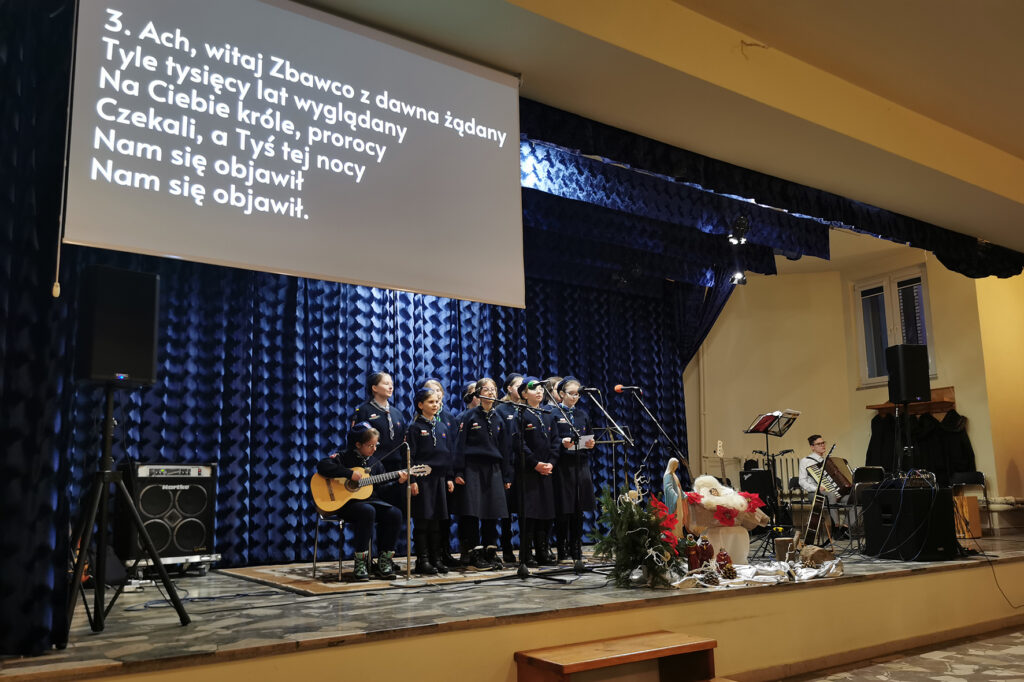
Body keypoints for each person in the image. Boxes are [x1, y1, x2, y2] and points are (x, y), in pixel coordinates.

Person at [317, 423, 407, 581]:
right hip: (347, 505)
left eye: (376, 445)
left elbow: (383, 491)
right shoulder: (344, 457)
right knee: (367, 511)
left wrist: (398, 483)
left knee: (395, 513)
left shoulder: (376, 463)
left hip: (371, 502)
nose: (374, 449)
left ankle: (384, 561)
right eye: (370, 445)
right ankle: (360, 562)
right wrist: (348, 473)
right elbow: (322, 466)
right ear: (358, 444)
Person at [454, 377, 513, 570]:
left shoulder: (500, 418)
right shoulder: (469, 416)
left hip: (494, 468)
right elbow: (460, 446)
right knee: (473, 511)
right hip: (472, 467)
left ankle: (490, 550)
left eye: (494, 389)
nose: (491, 392)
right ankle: (474, 551)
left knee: (492, 510)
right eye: (486, 389)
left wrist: (506, 475)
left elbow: (505, 449)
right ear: (477, 393)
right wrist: (459, 471)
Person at [516, 376, 567, 567]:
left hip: (547, 471)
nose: (539, 391)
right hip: (529, 472)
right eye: (533, 388)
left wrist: (551, 463)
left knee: (546, 513)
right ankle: (526, 553)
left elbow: (556, 441)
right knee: (530, 514)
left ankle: (542, 550)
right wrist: (535, 463)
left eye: (541, 388)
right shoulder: (521, 414)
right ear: (523, 394)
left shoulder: (548, 414)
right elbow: (519, 443)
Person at [407, 387, 454, 575]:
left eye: (437, 402)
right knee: (423, 521)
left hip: (439, 480)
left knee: (436, 522)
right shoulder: (415, 428)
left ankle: (436, 558)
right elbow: (410, 457)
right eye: (431, 402)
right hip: (422, 479)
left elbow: (448, 454)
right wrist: (412, 480)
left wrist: (449, 477)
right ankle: (422, 560)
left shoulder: (442, 427)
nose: (435, 405)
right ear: (420, 405)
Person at [553, 377, 597, 573]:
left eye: (578, 394)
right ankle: (561, 548)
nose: (575, 397)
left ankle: (576, 547)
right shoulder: (553, 413)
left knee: (578, 508)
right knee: (564, 509)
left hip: (580, 463)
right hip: (563, 465)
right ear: (561, 394)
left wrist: (590, 444)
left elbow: (589, 434)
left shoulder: (582, 414)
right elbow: (551, 440)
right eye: (571, 394)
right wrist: (561, 444)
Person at [351, 372, 409, 510]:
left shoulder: (397, 413)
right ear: (374, 388)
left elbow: (403, 442)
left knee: (396, 511)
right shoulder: (363, 411)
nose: (390, 387)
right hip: (373, 468)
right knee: (373, 511)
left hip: (396, 469)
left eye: (392, 384)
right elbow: (355, 441)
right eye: (386, 383)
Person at [494, 373, 524, 563]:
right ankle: (506, 547)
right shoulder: (501, 409)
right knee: (506, 510)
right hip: (507, 465)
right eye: (518, 385)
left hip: (525, 465)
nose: (522, 389)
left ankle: (527, 547)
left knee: (524, 508)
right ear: (509, 389)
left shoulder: (527, 407)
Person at [799, 434, 849, 540]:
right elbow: (802, 481)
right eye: (819, 444)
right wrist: (816, 488)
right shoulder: (806, 461)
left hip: (835, 493)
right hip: (815, 493)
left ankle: (844, 529)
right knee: (831, 495)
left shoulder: (829, 461)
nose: (822, 445)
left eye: (823, 443)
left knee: (855, 498)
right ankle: (835, 529)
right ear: (812, 447)